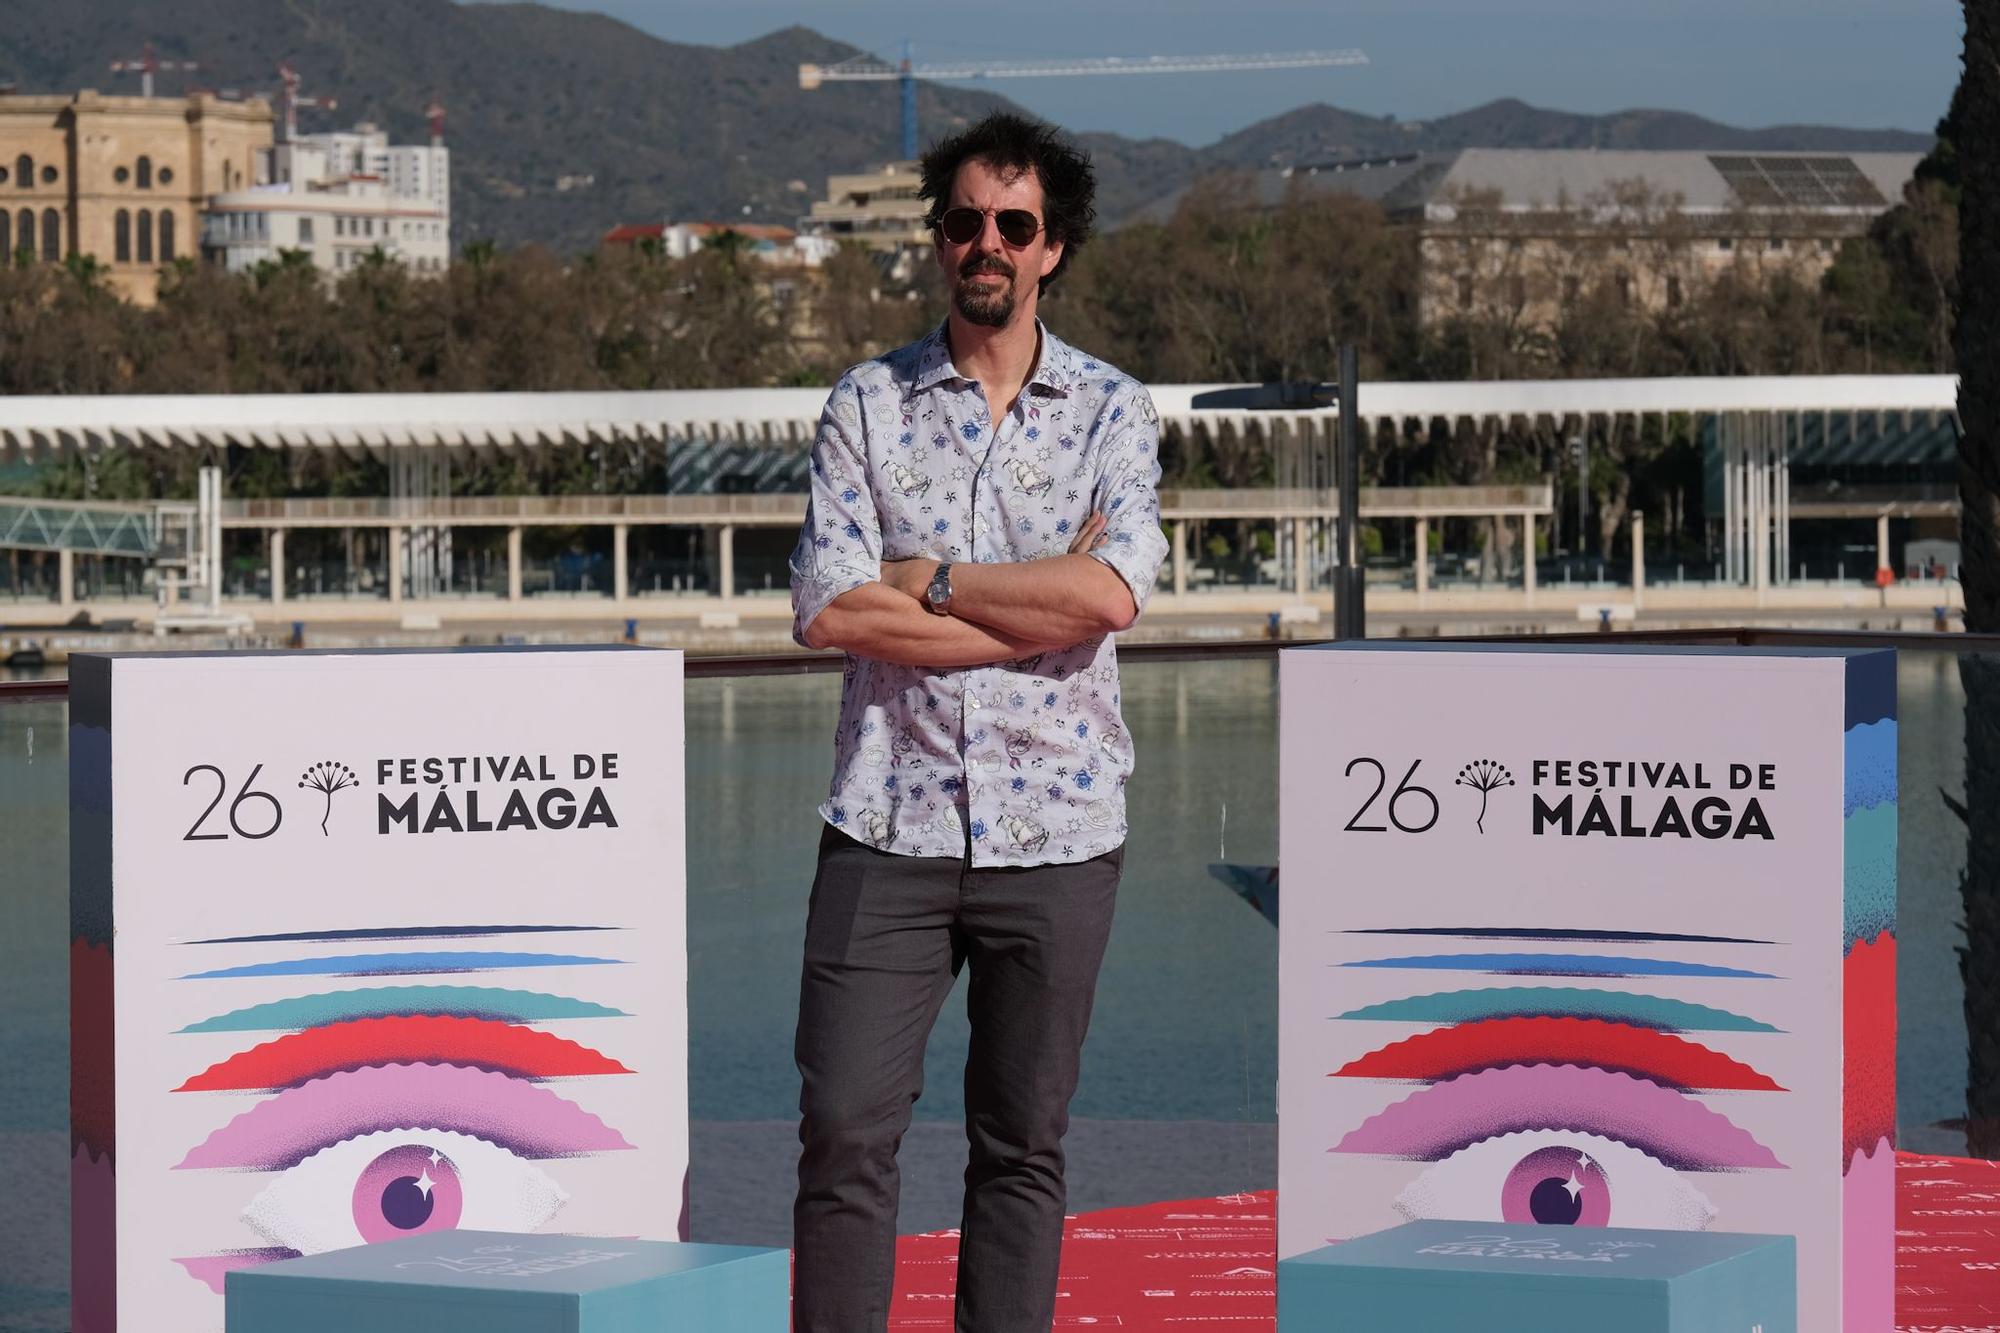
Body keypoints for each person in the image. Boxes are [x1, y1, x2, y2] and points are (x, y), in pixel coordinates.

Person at [785, 112, 1169, 1332]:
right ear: (937, 242)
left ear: (1052, 247)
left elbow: (1110, 595)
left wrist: (932, 579)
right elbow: (831, 612)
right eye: (963, 223)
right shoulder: (865, 404)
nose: (985, 244)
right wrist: (1034, 604)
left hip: (1057, 840)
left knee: (1020, 1145)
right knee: (844, 1131)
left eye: (1013, 225)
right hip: (884, 822)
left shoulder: (1115, 412)